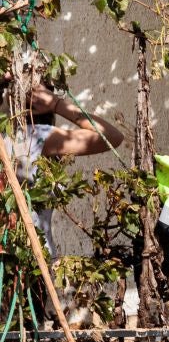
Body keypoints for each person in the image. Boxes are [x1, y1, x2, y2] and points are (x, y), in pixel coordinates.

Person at [2, 82, 127, 243]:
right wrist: (57, 105)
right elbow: (111, 137)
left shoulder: (10, 138)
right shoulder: (33, 136)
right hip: (33, 253)